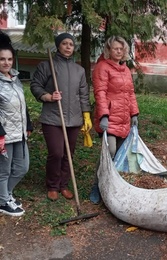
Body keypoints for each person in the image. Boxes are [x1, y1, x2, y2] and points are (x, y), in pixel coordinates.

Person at [30, 33, 92, 201]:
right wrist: (47, 96)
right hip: (52, 118)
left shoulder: (79, 70)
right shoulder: (47, 65)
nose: (68, 47)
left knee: (68, 154)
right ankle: (52, 185)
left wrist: (86, 116)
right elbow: (35, 85)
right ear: (58, 46)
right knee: (56, 153)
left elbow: (84, 95)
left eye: (71, 44)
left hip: (73, 119)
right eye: (64, 43)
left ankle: (63, 185)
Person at [89, 36, 139, 204]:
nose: (118, 51)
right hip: (109, 117)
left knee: (118, 155)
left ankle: (110, 186)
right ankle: (97, 186)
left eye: (121, 49)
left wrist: (134, 114)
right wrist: (103, 115)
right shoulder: (102, 67)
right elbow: (100, 92)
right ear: (108, 50)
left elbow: (130, 93)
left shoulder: (125, 69)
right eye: (115, 48)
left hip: (123, 117)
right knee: (109, 151)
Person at [0, 32, 33, 216]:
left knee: (22, 167)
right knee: (3, 171)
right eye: (2, 59)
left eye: (9, 59)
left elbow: (23, 105)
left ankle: (5, 194)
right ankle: (3, 201)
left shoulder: (16, 79)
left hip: (19, 133)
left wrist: (27, 125)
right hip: (4, 135)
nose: (6, 63)